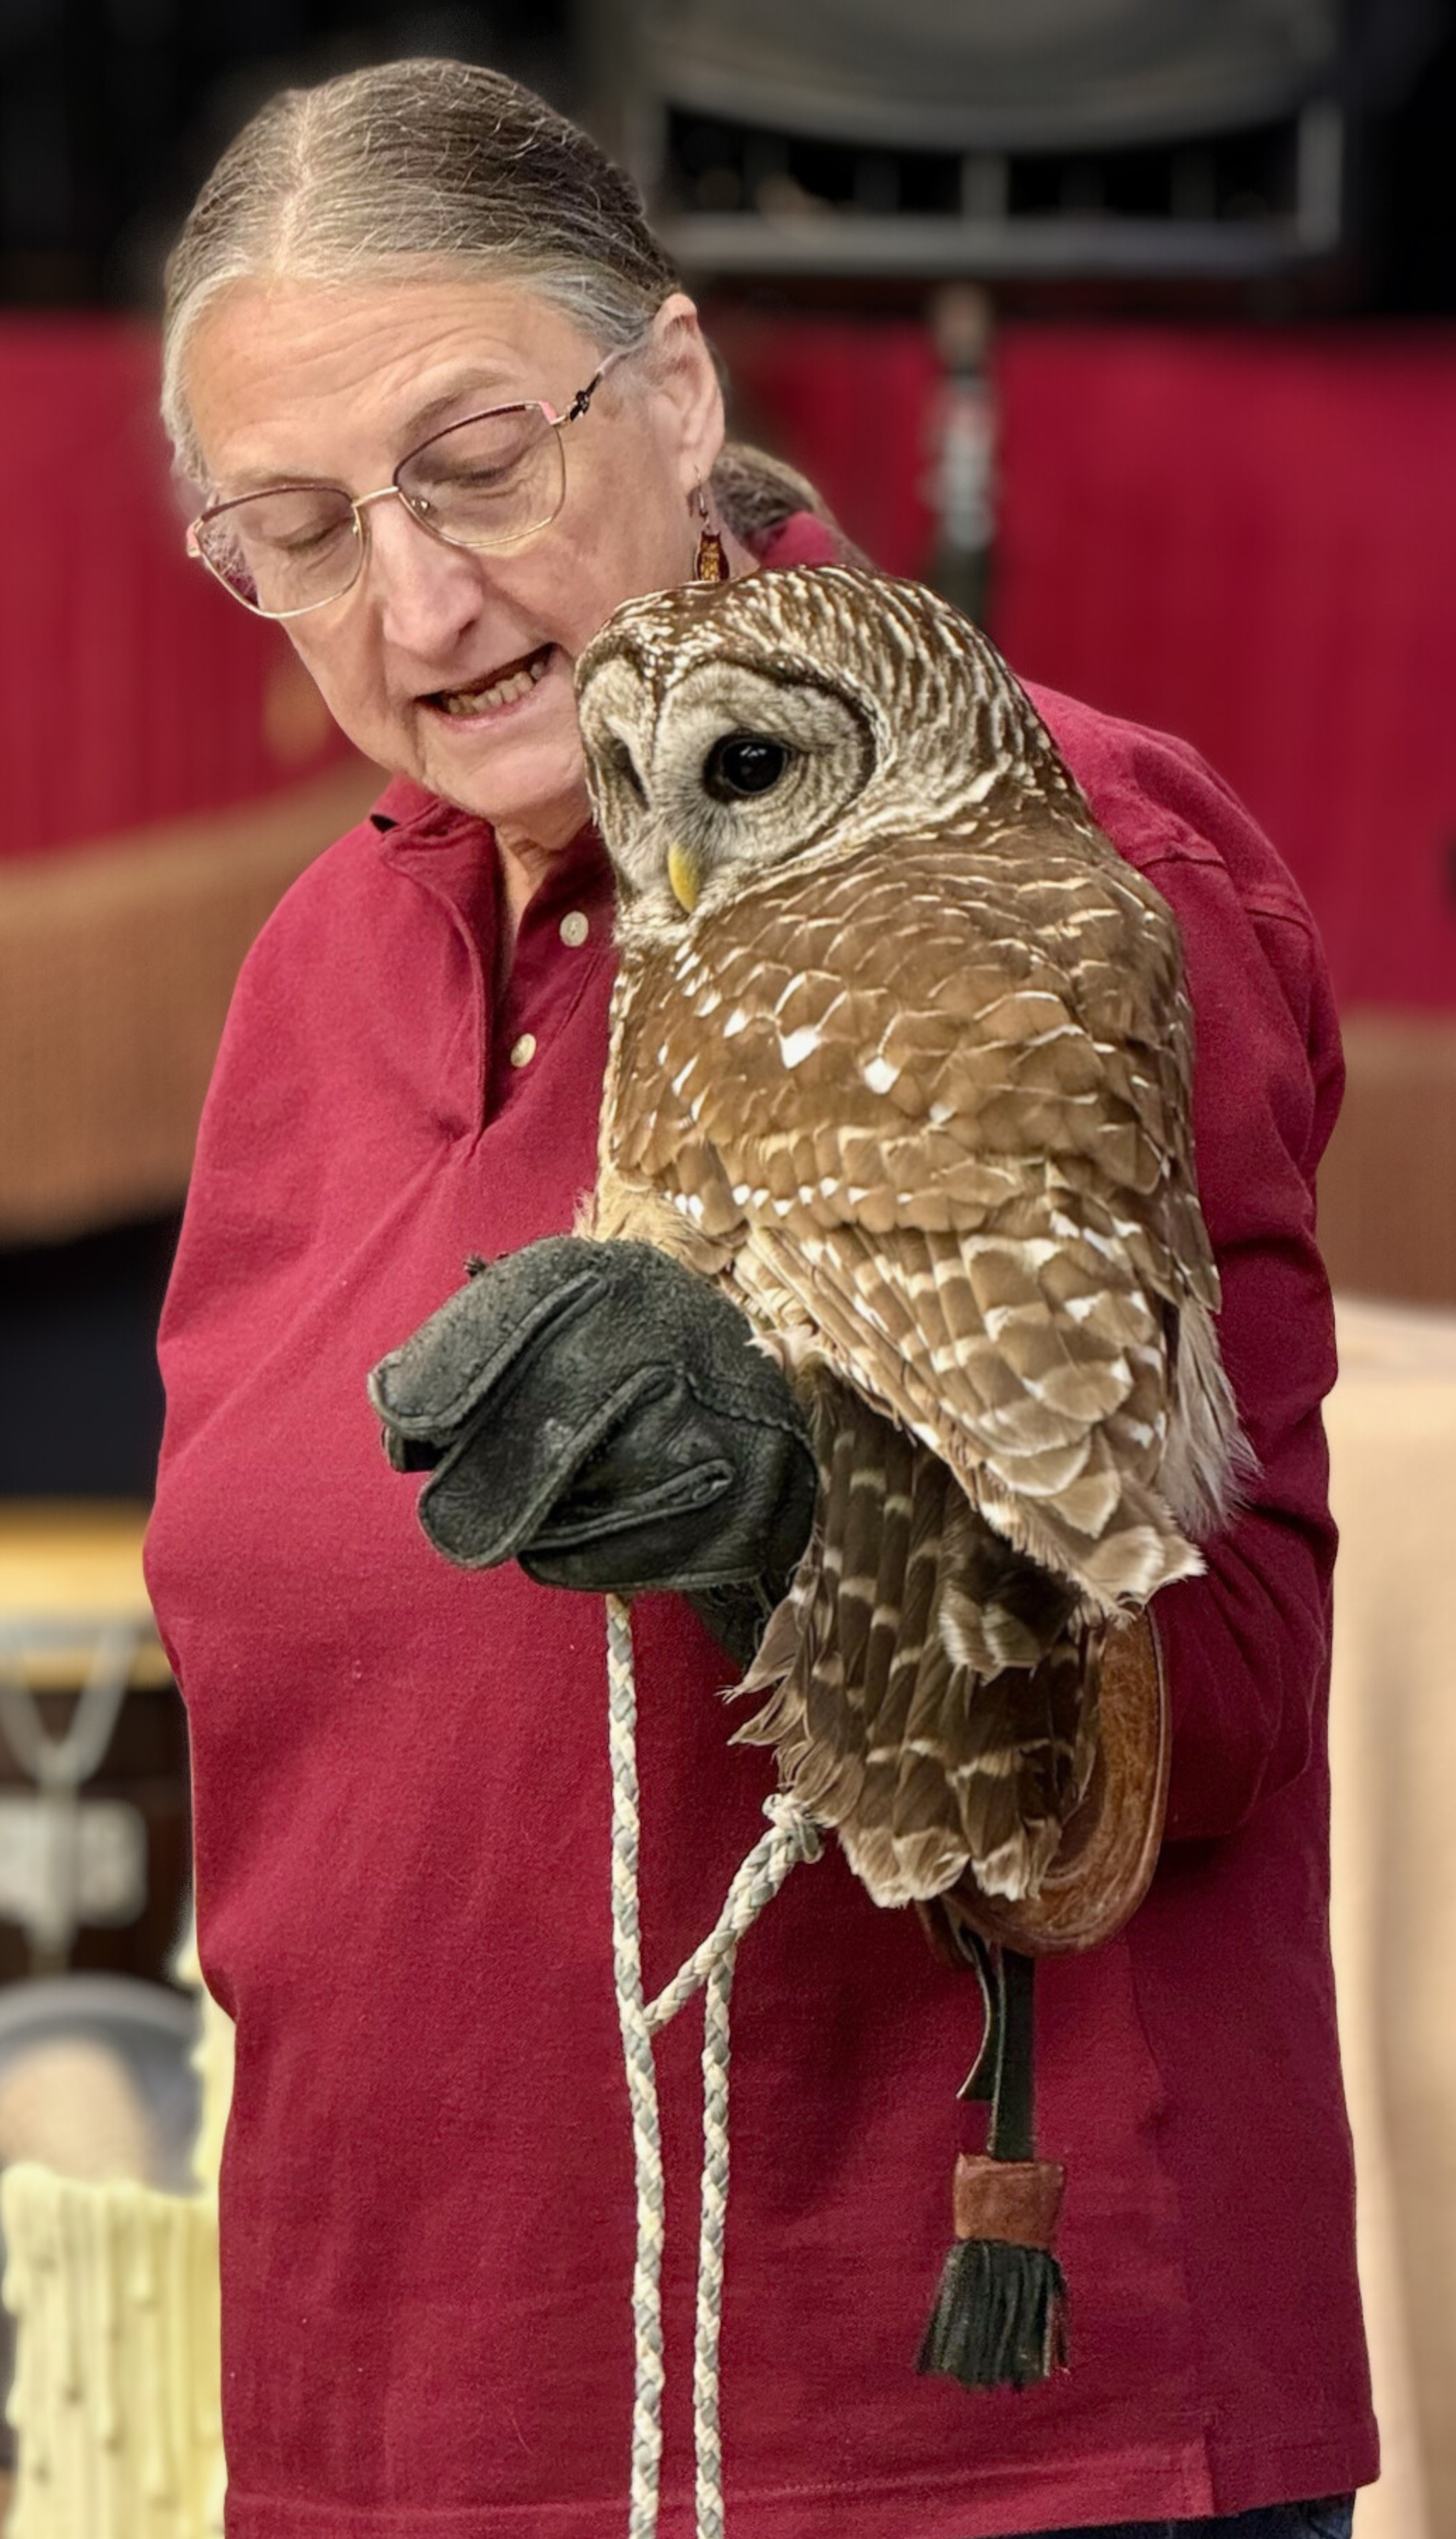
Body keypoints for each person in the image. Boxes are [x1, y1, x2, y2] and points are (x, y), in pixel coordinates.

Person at [143, 56, 1373, 2539]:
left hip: (930, 2449)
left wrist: (830, 1516)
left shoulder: (1041, 854)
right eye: (292, 531)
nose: (415, 599)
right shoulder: (317, 967)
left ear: (675, 391)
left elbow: (1213, 1695)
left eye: (478, 457)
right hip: (411, 2426)